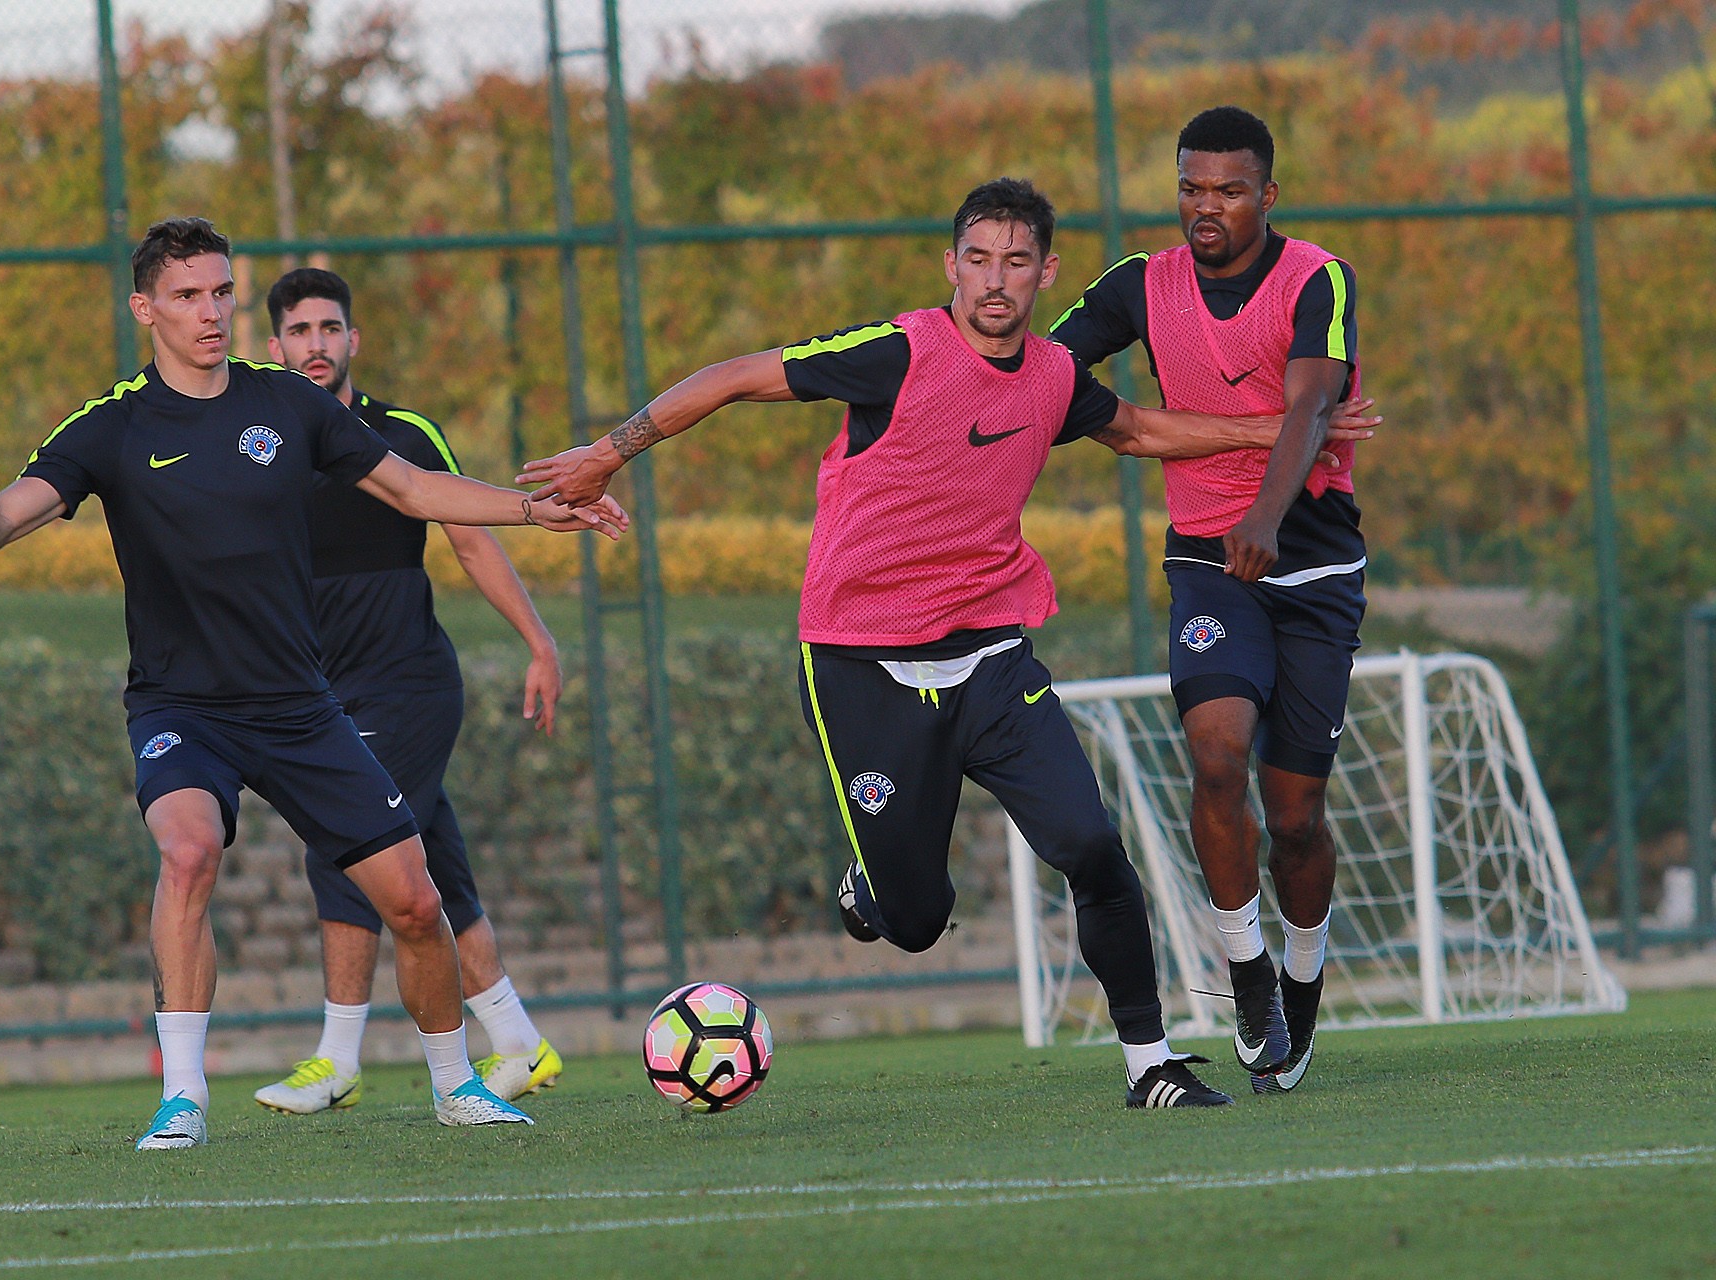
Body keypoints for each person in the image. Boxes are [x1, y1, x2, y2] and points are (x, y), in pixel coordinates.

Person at [520, 178, 1374, 1109]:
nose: (995, 280)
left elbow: (1135, 430)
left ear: (1047, 272)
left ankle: (1151, 1065)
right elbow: (732, 377)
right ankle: (878, 887)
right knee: (918, 918)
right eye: (978, 259)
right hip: (863, 665)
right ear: (951, 267)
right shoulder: (897, 353)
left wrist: (1285, 427)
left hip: (993, 661)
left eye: (1016, 261)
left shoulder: (1054, 375)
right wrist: (609, 452)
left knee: (1094, 847)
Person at [0, 218, 625, 1149]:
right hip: (182, 707)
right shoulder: (111, 425)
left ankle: (457, 1084)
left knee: (415, 903)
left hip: (299, 706)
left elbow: (413, 490)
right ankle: (182, 1097)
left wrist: (533, 508)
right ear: (145, 309)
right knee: (188, 851)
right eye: (187, 296)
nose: (211, 312)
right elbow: (1, 524)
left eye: (221, 292)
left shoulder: (286, 403)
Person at [1049, 106, 1365, 1094]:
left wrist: (1267, 514)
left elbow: (1313, 404)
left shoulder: (1316, 277)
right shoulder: (1140, 284)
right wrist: (1127, 426)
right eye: (1191, 188)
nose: (1206, 207)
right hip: (1207, 567)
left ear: (1267, 194)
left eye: (1229, 190)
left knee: (1297, 816)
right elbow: (1045, 376)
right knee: (1217, 754)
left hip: (1314, 572)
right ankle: (1247, 971)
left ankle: (1303, 982)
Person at [251, 267, 562, 1113]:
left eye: (330, 328)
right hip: (319, 694)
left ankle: (337, 1059)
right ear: (274, 346)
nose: (316, 344)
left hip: (409, 686)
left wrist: (539, 641)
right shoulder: (260, 445)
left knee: (344, 844)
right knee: (434, 871)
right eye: (299, 331)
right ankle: (519, 1042)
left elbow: (470, 540)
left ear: (353, 339)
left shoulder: (404, 434)